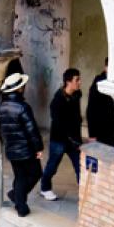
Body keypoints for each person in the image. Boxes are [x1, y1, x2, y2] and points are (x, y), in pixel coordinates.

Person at [0, 72, 43, 217]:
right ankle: (20, 204)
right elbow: (32, 130)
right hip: (26, 150)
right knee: (36, 173)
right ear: (19, 89)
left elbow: (0, 130)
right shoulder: (23, 107)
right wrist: (39, 148)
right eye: (22, 86)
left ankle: (16, 197)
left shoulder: (2, 107)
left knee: (20, 176)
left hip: (11, 150)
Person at [40, 67, 82, 201]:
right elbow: (59, 124)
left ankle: (85, 194)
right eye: (77, 80)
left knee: (80, 167)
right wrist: (72, 139)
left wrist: (78, 140)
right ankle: (45, 188)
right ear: (68, 82)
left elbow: (76, 120)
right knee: (52, 166)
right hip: (59, 140)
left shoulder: (76, 95)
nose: (80, 82)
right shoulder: (57, 101)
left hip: (73, 141)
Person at [86, 57, 114, 148]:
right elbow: (91, 110)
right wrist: (92, 134)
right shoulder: (99, 82)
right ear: (106, 68)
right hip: (101, 132)